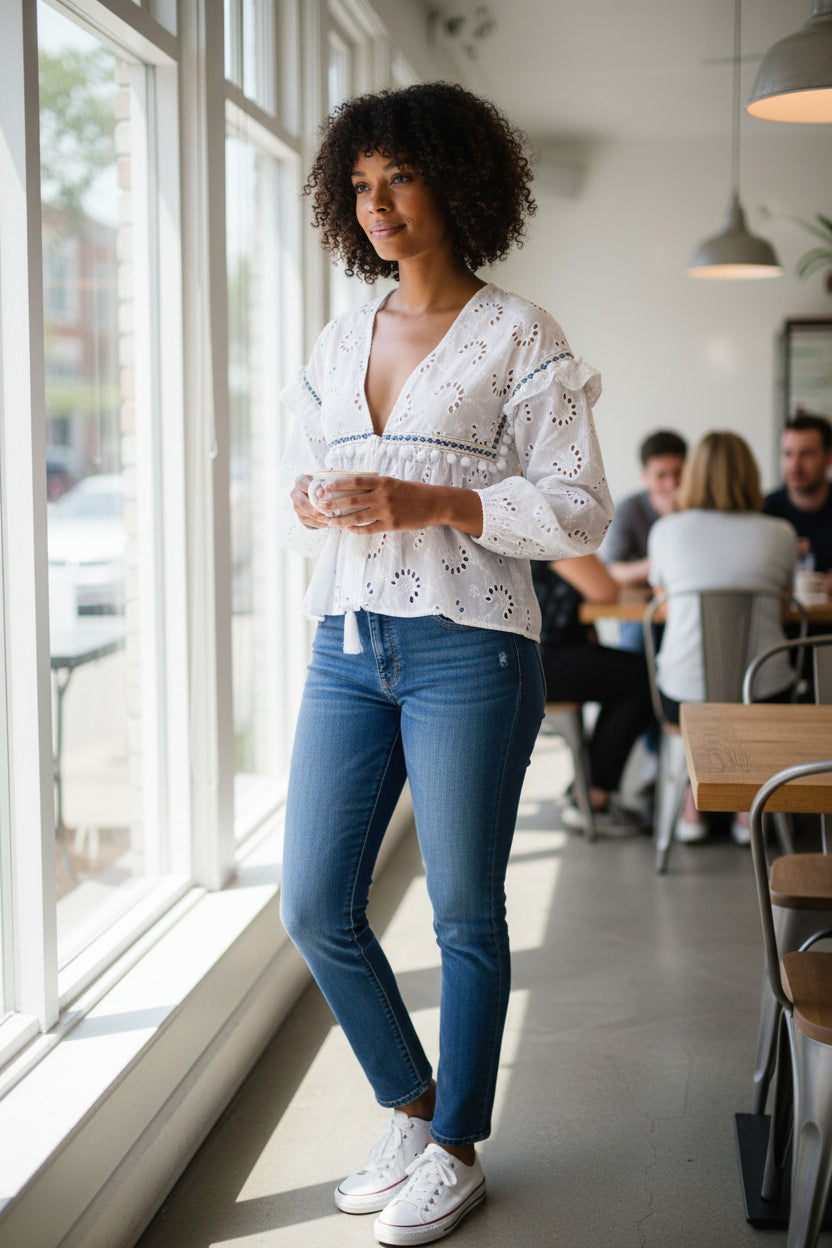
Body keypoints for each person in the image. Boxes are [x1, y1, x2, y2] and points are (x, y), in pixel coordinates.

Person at [277, 82, 613, 1247]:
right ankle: (411, 1109)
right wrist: (318, 498)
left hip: (469, 647)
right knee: (316, 902)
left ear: (456, 183)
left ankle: (458, 1145)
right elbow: (311, 471)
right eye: (360, 187)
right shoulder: (335, 337)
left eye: (399, 180)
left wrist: (431, 497)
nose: (377, 206)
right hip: (345, 642)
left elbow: (578, 514)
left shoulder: (522, 335)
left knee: (465, 909)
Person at [648, 431, 799, 845]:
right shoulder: (781, 533)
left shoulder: (666, 531)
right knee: (760, 690)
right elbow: (786, 609)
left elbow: (664, 607)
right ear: (750, 475)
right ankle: (746, 805)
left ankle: (691, 808)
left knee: (691, 686)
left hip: (684, 697)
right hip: (764, 695)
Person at [532, 554, 653, 835]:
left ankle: (586, 788)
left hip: (525, 655)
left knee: (628, 673)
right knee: (639, 678)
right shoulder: (556, 531)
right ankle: (592, 796)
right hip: (544, 658)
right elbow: (606, 590)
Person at [604, 429, 688, 591]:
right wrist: (659, 565)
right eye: (661, 476)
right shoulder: (629, 509)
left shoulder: (700, 508)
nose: (671, 484)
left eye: (678, 473)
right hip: (641, 610)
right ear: (645, 476)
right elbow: (613, 571)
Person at [762, 411, 832, 591]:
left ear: (828, 457)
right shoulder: (764, 512)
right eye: (788, 454)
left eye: (806, 454)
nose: (795, 465)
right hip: (778, 618)